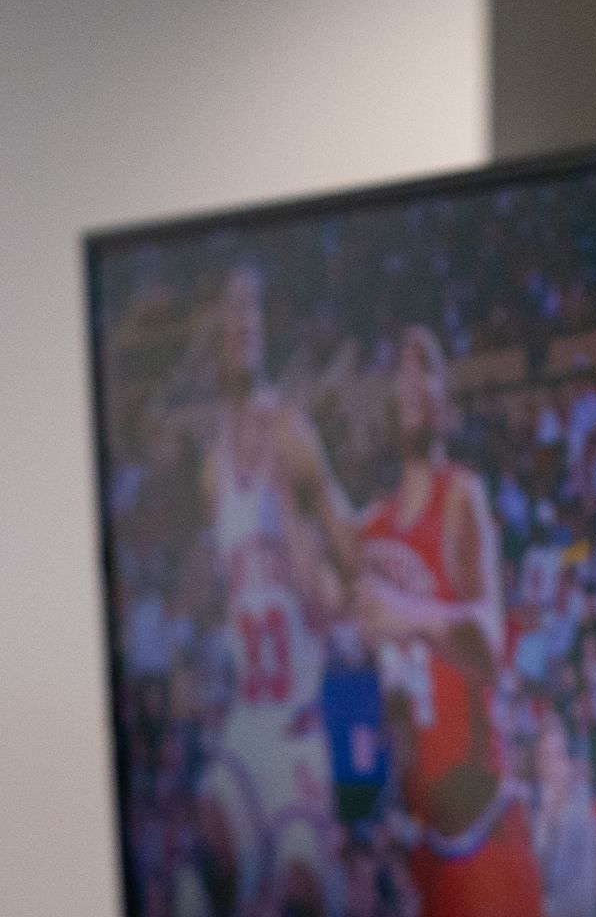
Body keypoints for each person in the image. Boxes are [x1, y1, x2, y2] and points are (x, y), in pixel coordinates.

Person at [356, 326, 546, 916]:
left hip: (482, 833)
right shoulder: (372, 528)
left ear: (447, 402)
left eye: (427, 366)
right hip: (417, 845)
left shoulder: (461, 496)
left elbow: (489, 643)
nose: (410, 379)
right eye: (399, 367)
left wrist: (405, 614)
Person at [195, 264, 360, 917]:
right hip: (246, 719)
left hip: (298, 720)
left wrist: (330, 582)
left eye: (251, 308)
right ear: (214, 333)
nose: (242, 322)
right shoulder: (211, 468)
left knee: (302, 893)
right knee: (208, 856)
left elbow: (346, 554)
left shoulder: (291, 430)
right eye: (230, 310)